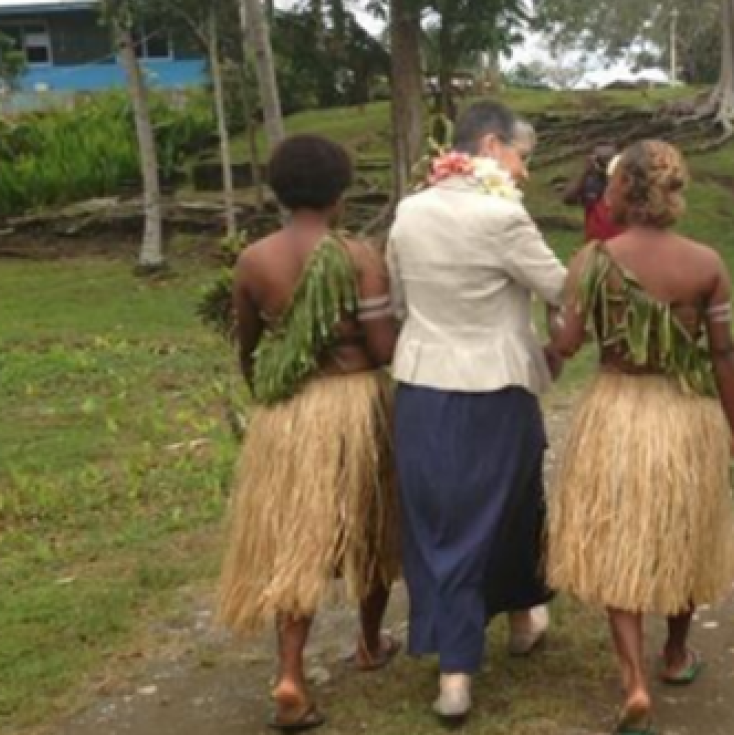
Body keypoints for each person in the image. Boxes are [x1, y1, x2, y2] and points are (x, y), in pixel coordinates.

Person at [546, 140, 734, 735]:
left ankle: (633, 680)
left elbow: (566, 344)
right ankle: (676, 654)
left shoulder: (593, 260)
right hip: (683, 414)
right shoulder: (706, 263)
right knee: (684, 532)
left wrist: (554, 315)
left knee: (620, 540)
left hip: (615, 412)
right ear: (674, 191)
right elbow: (724, 353)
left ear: (620, 191)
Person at [386, 100, 564, 724]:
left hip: (422, 391)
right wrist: (556, 347)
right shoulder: (503, 218)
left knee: (443, 521)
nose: (525, 172)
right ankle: (456, 672)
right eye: (523, 156)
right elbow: (565, 290)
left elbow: (400, 303)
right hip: (496, 392)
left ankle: (522, 616)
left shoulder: (407, 212)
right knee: (504, 511)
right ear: (491, 147)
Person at [216, 135, 401, 733]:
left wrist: (266, 400)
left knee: (296, 541)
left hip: (286, 414)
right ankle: (371, 642)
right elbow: (381, 350)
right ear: (340, 193)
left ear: (279, 190)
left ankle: (291, 675)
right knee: (371, 525)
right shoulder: (360, 256)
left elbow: (246, 348)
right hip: (354, 405)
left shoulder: (253, 260)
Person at [562, 141, 624, 242]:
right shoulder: (588, 182)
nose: (605, 164)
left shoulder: (626, 182)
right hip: (595, 245)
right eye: (600, 159)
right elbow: (567, 199)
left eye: (609, 159)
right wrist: (585, 171)